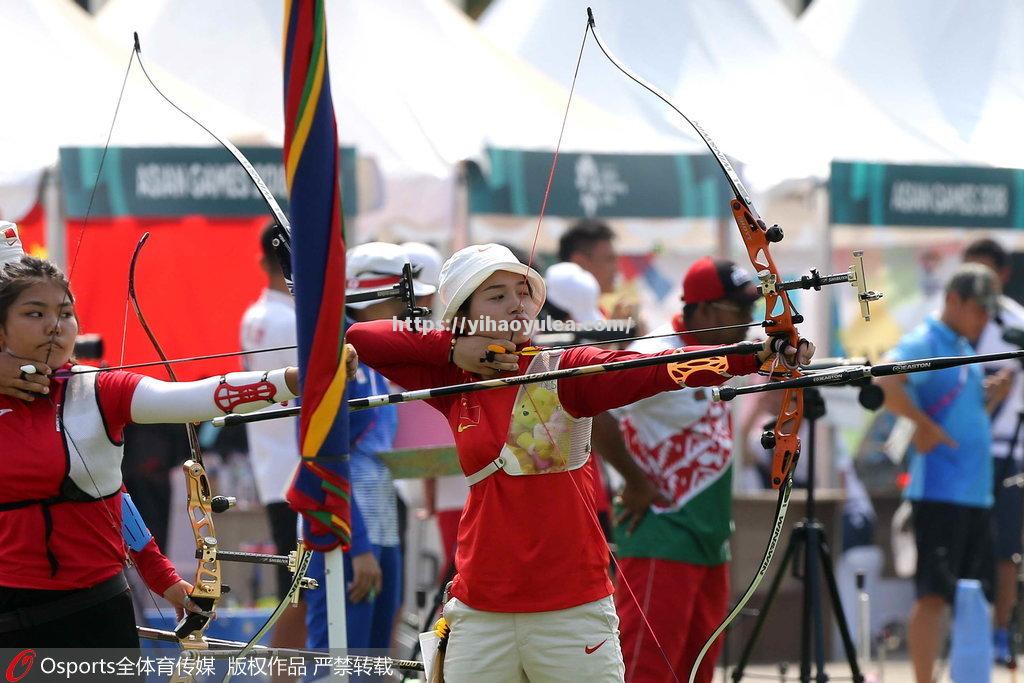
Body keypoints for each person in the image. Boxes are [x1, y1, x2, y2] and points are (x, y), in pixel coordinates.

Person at [344, 243, 814, 682]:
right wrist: (452, 347)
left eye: (524, 293)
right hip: (478, 608)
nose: (518, 304)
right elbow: (361, 336)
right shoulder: (452, 379)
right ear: (463, 315)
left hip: (572, 612)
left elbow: (655, 369)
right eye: (497, 294)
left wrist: (756, 354)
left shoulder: (566, 370)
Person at [0, 251, 308, 647]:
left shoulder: (98, 390)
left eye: (65, 313)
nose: (54, 326)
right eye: (34, 313)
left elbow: (194, 399)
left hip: (92, 611)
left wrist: (293, 380)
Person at [592, 256, 760, 682]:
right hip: (660, 534)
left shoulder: (725, 357)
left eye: (750, 311)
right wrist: (635, 481)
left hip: (710, 539)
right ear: (701, 310)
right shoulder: (654, 354)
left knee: (697, 672)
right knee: (647, 669)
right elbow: (594, 412)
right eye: (737, 310)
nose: (748, 321)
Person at [875, 263, 1003, 683]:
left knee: (971, 595)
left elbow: (962, 417)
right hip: (941, 493)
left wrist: (991, 398)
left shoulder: (963, 346)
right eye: (978, 309)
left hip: (974, 491)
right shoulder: (927, 340)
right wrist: (923, 427)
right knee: (932, 594)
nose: (984, 319)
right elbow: (884, 381)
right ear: (952, 300)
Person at [305, 243, 429, 654]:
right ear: (374, 297)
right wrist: (356, 546)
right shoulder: (335, 358)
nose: (405, 311)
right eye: (398, 300)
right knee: (340, 659)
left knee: (375, 661)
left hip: (379, 529)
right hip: (348, 533)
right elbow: (321, 460)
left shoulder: (374, 355)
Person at [239, 222, 306, 652]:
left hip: (276, 465)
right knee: (299, 587)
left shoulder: (257, 316)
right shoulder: (289, 320)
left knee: (296, 584)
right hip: (297, 468)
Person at [963, 238, 1024, 665]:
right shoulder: (950, 323)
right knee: (962, 547)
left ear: (1003, 275)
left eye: (985, 273)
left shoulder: (1017, 322)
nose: (977, 283)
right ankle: (964, 634)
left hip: (1009, 451)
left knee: (1005, 550)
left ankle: (1001, 635)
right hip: (960, 452)